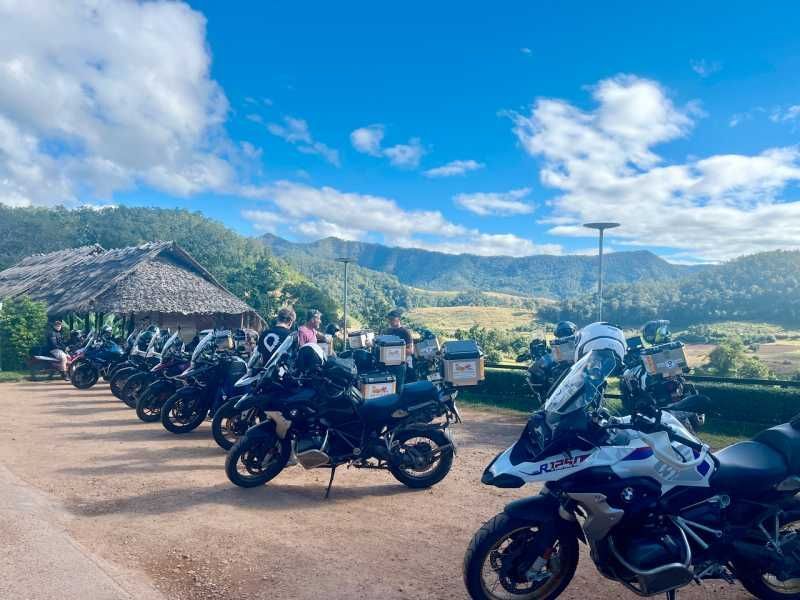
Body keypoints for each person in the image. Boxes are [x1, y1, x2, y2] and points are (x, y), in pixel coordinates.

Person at [383, 308, 414, 391]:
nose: (390, 321)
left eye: (392, 319)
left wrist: (395, 350)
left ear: (398, 319)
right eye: (389, 319)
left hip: (399, 365)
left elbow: (411, 351)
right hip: (387, 365)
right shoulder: (387, 331)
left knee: (398, 389)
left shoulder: (405, 332)